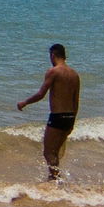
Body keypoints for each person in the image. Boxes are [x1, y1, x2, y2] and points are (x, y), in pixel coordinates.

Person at [17, 43, 82, 181]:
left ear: (53, 55)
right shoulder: (75, 74)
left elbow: (41, 94)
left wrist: (25, 102)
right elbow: (76, 100)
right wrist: (73, 121)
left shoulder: (54, 71)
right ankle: (55, 179)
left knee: (48, 152)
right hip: (70, 116)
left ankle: (55, 180)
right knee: (55, 153)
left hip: (57, 117)